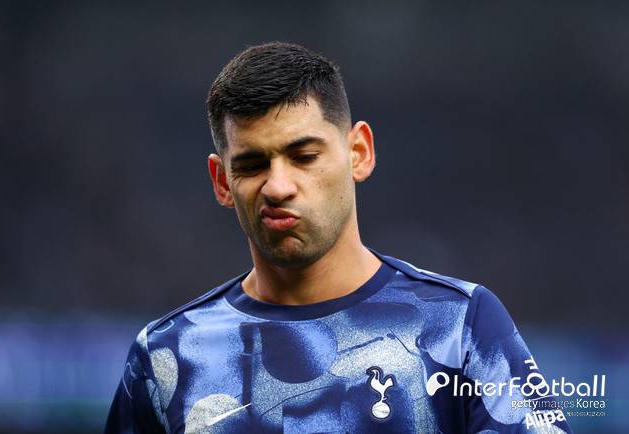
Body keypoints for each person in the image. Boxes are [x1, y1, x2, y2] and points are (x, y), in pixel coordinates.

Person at [105, 42, 572, 434]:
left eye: (304, 156)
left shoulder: (459, 326)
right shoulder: (166, 357)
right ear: (222, 182)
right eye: (252, 165)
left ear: (359, 153)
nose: (278, 186)